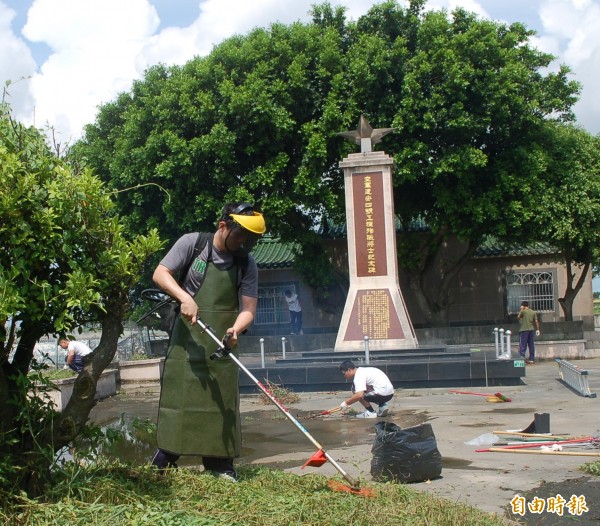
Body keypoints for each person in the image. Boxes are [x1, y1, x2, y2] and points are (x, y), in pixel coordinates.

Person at [150, 202, 266, 481]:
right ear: (223, 226)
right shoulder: (193, 244)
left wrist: (236, 330)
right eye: (240, 236)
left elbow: (248, 309)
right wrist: (185, 298)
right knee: (180, 399)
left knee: (220, 403)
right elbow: (160, 274)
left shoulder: (245, 262)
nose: (243, 243)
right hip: (186, 340)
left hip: (220, 344)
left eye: (249, 239)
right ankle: (165, 459)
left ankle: (219, 465)